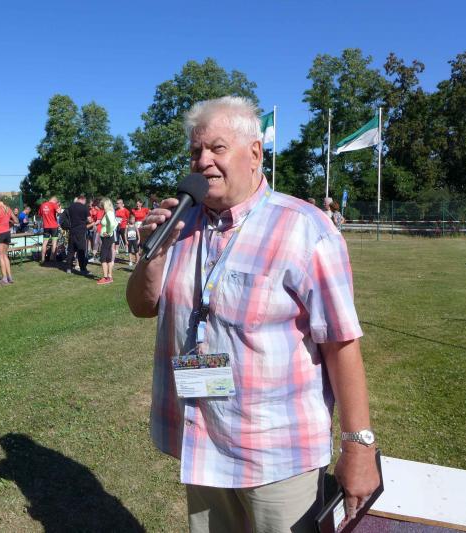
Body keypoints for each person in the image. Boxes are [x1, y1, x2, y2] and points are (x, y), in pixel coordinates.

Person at [126, 96, 379, 532]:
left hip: (278, 457)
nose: (203, 161)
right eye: (195, 151)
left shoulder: (306, 228)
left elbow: (341, 343)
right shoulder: (180, 225)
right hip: (202, 443)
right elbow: (141, 306)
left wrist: (358, 446)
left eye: (217, 148)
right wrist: (155, 253)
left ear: (255, 154)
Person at [0, 193, 17, 285]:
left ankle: (4, 279)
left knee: (1, 256)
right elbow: (16, 220)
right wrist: (8, 221)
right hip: (7, 233)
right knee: (5, 256)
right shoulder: (8, 208)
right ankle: (10, 277)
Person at [64, 194, 92, 275]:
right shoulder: (84, 208)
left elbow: (66, 218)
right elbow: (89, 220)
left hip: (72, 230)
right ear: (83, 200)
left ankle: (68, 268)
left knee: (71, 250)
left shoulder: (70, 207)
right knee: (81, 250)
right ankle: (83, 269)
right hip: (81, 231)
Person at [97, 198, 116, 285]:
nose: (101, 206)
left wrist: (108, 232)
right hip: (107, 238)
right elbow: (115, 223)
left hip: (107, 238)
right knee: (108, 257)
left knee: (103, 257)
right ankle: (109, 276)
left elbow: (113, 224)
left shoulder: (109, 213)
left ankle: (105, 278)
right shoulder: (109, 213)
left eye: (102, 204)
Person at [38, 196, 60, 263]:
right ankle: (52, 258)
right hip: (54, 226)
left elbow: (39, 215)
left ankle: (43, 259)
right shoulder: (54, 204)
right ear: (55, 200)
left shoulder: (42, 205)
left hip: (46, 227)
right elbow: (59, 212)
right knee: (54, 242)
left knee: (45, 243)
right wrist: (58, 206)